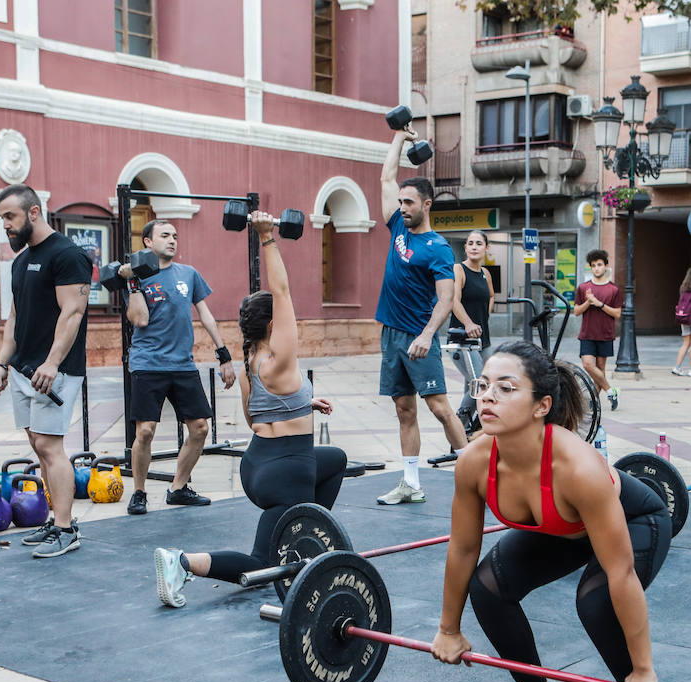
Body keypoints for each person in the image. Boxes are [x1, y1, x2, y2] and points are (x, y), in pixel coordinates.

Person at [430, 339, 673, 682]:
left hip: (638, 521)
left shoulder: (577, 469)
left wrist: (643, 672)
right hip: (562, 528)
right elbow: (464, 548)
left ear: (541, 406)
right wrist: (448, 628)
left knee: (596, 601)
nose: (487, 396)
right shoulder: (473, 462)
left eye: (505, 388)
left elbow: (620, 573)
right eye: (483, 385)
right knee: (487, 586)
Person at [154, 211, 345, 607]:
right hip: (287, 473)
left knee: (335, 459)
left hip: (256, 466)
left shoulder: (250, 365)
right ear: (273, 323)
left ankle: (300, 532)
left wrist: (301, 402)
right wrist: (267, 237)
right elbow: (283, 291)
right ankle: (182, 562)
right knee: (260, 564)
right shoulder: (281, 361)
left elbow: (258, 417)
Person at [0, 184, 91, 559]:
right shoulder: (20, 261)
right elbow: (15, 316)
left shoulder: (69, 255)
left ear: (33, 213)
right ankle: (55, 520)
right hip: (23, 369)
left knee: (51, 446)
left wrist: (52, 362)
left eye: (10, 217)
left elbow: (73, 313)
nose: (6, 225)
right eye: (2, 219)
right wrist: (3, 361)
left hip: (54, 370)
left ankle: (67, 528)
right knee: (38, 445)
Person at [374, 125, 467, 505]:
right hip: (391, 334)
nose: (403, 207)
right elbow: (385, 177)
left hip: (419, 335)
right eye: (401, 201)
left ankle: (471, 474)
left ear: (427, 204)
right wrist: (400, 137)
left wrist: (428, 335)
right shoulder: (397, 225)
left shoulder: (439, 248)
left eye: (410, 202)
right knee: (403, 408)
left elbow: (446, 299)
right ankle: (411, 483)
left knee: (441, 408)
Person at [118, 219, 237, 516]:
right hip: (148, 363)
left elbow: (206, 316)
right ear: (148, 241)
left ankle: (178, 488)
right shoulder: (138, 277)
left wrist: (224, 355)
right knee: (145, 431)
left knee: (199, 428)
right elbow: (140, 319)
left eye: (174, 236)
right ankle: (140, 492)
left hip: (183, 364)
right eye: (165, 235)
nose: (172, 240)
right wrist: (132, 281)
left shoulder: (189, 274)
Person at [448, 229, 493, 432]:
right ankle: (459, 428)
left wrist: (485, 315)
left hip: (483, 340)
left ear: (486, 248)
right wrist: (468, 323)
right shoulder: (459, 269)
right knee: (479, 383)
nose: (474, 247)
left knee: (476, 384)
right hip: (461, 340)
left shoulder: (485, 274)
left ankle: (467, 432)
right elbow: (453, 300)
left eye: (479, 243)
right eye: (470, 243)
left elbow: (491, 296)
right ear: (465, 247)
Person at [572, 249, 622, 410]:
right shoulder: (583, 288)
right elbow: (577, 311)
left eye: (599, 265)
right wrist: (589, 301)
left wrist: (599, 303)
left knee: (600, 370)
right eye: (593, 266)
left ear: (606, 266)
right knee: (587, 365)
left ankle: (593, 402)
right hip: (587, 333)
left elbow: (617, 313)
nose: (596, 268)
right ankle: (610, 390)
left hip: (605, 334)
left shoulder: (614, 290)